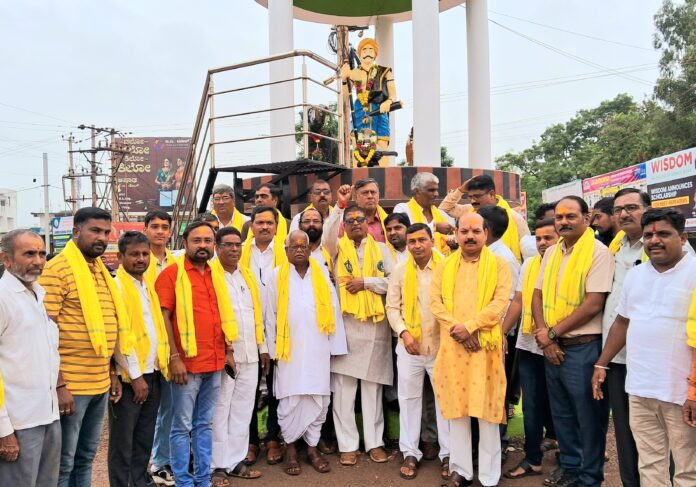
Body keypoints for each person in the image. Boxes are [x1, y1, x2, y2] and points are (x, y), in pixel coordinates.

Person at [593, 208, 696, 486]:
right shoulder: (636, 275)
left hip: (681, 393)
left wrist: (694, 391)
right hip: (640, 389)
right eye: (649, 235)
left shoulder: (694, 273)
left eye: (663, 234)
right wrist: (602, 362)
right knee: (650, 463)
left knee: (688, 469)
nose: (654, 240)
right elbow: (622, 322)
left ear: (682, 238)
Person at [39, 207, 130, 487]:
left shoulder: (102, 272)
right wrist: (59, 385)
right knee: (64, 462)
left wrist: (112, 373)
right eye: (95, 231)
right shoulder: (57, 270)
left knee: (86, 457)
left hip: (99, 382)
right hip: (70, 385)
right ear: (76, 231)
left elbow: (106, 329)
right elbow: (43, 333)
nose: (102, 237)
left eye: (106, 232)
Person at [531, 196, 614, 487]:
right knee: (562, 414)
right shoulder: (552, 252)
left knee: (588, 417)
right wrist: (545, 337)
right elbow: (537, 295)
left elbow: (593, 304)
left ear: (586, 218)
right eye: (559, 217)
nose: (563, 222)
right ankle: (569, 468)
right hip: (552, 347)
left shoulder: (599, 253)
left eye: (571, 216)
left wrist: (551, 334)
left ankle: (589, 477)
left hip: (583, 348)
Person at [430, 212, 512, 487]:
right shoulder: (445, 265)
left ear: (486, 234)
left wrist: (472, 326)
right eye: (464, 231)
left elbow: (500, 303)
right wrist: (460, 330)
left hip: (485, 348)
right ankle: (461, 470)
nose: (470, 236)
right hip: (454, 347)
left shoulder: (499, 265)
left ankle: (489, 476)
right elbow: (435, 303)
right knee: (458, 411)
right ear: (456, 234)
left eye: (476, 231)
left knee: (487, 412)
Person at [155, 221, 236, 487]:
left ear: (214, 244)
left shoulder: (216, 275)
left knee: (205, 424)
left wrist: (228, 352)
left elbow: (222, 317)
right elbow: (163, 318)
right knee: (181, 427)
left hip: (214, 362)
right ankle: (183, 481)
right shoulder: (171, 274)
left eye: (208, 241)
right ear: (185, 242)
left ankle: (203, 480)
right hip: (186, 366)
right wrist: (174, 357)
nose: (203, 245)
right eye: (197, 240)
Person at [266, 230, 347, 476]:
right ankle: (290, 449)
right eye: (295, 246)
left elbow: (334, 310)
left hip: (317, 348)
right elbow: (270, 316)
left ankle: (312, 448)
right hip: (287, 351)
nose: (300, 250)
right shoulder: (276, 276)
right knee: (289, 399)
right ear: (286, 250)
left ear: (310, 249)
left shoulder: (321, 274)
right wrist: (271, 351)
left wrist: (335, 347)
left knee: (318, 397)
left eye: (304, 246)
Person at [322, 200, 395, 466]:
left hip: (375, 328)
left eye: (359, 220)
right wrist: (338, 207)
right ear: (344, 225)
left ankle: (375, 444)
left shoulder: (383, 249)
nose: (355, 224)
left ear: (367, 224)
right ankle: (348, 446)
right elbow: (327, 236)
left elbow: (394, 282)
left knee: (372, 390)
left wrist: (366, 282)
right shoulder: (336, 249)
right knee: (344, 391)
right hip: (346, 328)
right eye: (350, 220)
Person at [386, 223, 450, 481]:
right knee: (408, 400)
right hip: (409, 347)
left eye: (422, 240)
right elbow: (392, 308)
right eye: (412, 241)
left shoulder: (448, 267)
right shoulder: (400, 270)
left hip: (442, 346)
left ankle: (449, 455)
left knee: (445, 402)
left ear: (432, 241)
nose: (417, 245)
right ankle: (410, 452)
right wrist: (404, 333)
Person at [598, 188, 651, 487]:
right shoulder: (618, 245)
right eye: (619, 209)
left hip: (648, 359)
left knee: (655, 435)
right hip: (617, 357)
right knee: (624, 431)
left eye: (632, 207)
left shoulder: (665, 247)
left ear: (647, 209)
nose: (624, 214)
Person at [0, 230, 60, 486]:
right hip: (18, 422)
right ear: (6, 259)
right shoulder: (3, 298)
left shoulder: (38, 294)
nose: (38, 261)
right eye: (29, 254)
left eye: (42, 254)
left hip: (48, 415)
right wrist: (3, 430)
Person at [109, 231, 169, 487]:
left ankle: (140, 482)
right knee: (123, 441)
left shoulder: (146, 286)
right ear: (121, 256)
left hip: (153, 372)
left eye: (145, 254)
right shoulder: (117, 287)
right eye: (134, 254)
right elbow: (120, 336)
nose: (141, 259)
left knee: (144, 437)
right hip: (131, 377)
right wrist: (135, 376)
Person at [210, 227, 268, 484]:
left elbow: (256, 313)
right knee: (220, 409)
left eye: (238, 245)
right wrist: (225, 350)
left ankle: (235, 461)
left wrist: (262, 348)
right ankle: (217, 465)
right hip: (225, 355)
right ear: (217, 247)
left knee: (243, 410)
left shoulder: (247, 275)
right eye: (228, 245)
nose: (234, 249)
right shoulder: (211, 275)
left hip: (250, 353)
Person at [502, 218, 559, 480]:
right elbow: (518, 300)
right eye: (538, 238)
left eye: (548, 238)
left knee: (562, 404)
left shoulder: (568, 264)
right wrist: (502, 332)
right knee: (532, 406)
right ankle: (533, 459)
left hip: (558, 346)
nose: (542, 243)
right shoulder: (529, 264)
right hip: (528, 344)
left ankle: (569, 457)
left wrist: (551, 337)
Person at [241, 205, 287, 467]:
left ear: (277, 227)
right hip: (247, 330)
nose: (265, 227)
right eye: (260, 222)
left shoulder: (286, 252)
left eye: (270, 223)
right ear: (252, 225)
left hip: (279, 330)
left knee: (275, 387)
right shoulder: (240, 252)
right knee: (248, 388)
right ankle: (250, 442)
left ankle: (271, 438)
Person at [478, 205, 521, 458]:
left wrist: (501, 334)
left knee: (497, 391)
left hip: (498, 337)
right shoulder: (482, 255)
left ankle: (499, 446)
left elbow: (512, 302)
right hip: (480, 335)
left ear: (488, 229)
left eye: (476, 227)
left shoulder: (503, 258)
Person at [141, 210, 176, 485]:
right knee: (148, 412)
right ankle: (148, 464)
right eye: (155, 226)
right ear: (146, 229)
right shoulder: (139, 261)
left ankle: (162, 460)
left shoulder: (177, 261)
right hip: (147, 345)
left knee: (171, 409)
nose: (160, 231)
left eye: (165, 227)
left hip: (173, 344)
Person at [438, 175, 531, 261]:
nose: (473, 201)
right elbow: (444, 209)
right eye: (470, 197)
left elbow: (527, 252)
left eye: (477, 196)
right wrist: (460, 190)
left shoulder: (514, 218)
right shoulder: (470, 210)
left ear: (491, 194)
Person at [339, 37, 398, 163]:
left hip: (379, 110)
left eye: (371, 49)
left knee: (382, 144)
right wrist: (343, 79)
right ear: (360, 54)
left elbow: (393, 95)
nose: (367, 52)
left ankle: (384, 171)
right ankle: (360, 168)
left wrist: (388, 102)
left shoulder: (385, 71)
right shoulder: (353, 73)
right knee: (359, 145)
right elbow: (344, 97)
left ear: (375, 53)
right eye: (364, 50)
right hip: (361, 111)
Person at [393, 173, 455, 254]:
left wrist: (453, 241)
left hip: (441, 261)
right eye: (431, 190)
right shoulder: (403, 209)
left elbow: (453, 236)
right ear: (416, 191)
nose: (436, 194)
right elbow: (403, 234)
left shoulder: (440, 214)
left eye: (436, 190)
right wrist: (434, 227)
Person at [298, 208, 333, 274]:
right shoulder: (291, 253)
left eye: (316, 221)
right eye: (307, 221)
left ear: (323, 224)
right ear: (299, 226)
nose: (311, 224)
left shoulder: (332, 249)